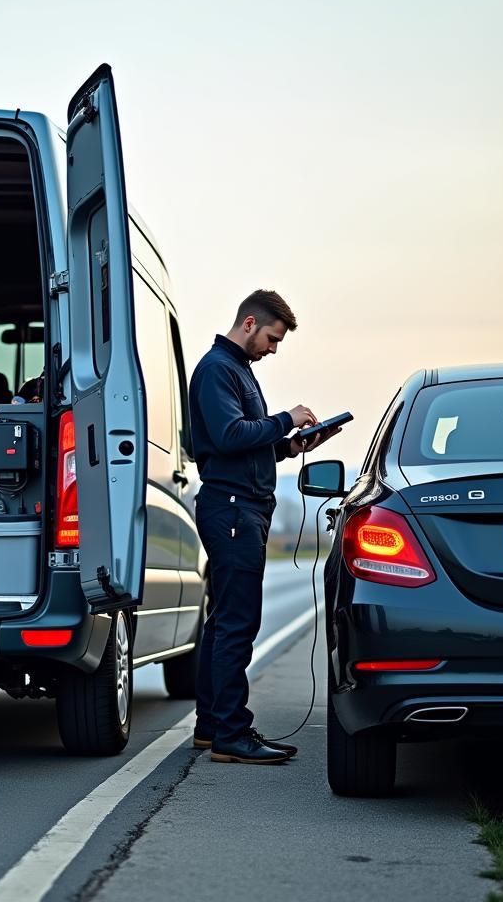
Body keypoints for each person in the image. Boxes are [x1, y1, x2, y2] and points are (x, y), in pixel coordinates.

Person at [188, 289, 339, 765]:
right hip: (232, 509)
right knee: (237, 622)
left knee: (224, 622)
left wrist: (293, 446)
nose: (273, 349)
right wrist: (284, 418)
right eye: (272, 339)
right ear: (250, 323)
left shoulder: (237, 372)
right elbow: (230, 437)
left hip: (241, 505)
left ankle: (212, 727)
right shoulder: (217, 369)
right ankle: (232, 734)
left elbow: (242, 444)